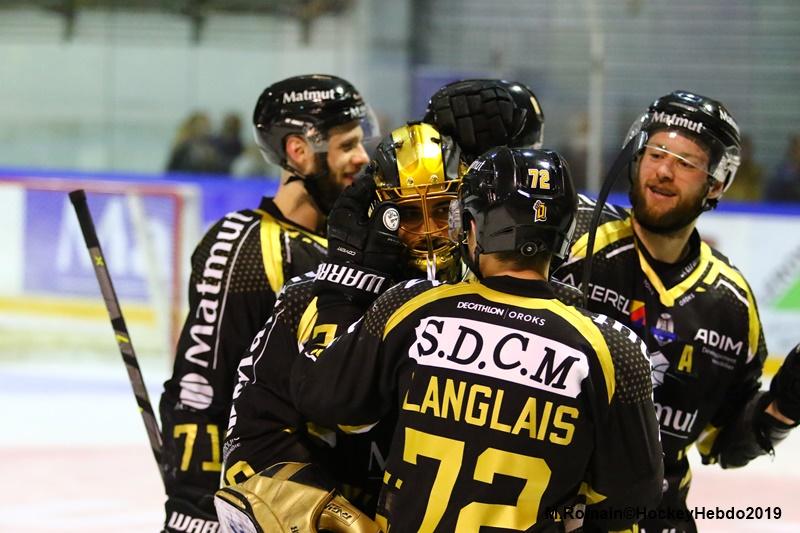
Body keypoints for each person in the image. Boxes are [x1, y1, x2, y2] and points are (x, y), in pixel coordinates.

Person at [289, 147, 664, 532]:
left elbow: (324, 399)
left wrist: (342, 291)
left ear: (472, 226)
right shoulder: (613, 347)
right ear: (566, 231)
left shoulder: (412, 305)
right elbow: (633, 497)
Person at [550, 90, 799, 532]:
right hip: (547, 510)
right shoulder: (572, 238)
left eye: (686, 163)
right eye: (655, 154)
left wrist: (782, 410)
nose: (663, 171)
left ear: (716, 184)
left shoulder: (731, 303)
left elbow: (725, 443)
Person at [158, 74, 377, 533]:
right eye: (348, 145)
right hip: (273, 507)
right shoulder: (248, 245)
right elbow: (201, 390)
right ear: (299, 151)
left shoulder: (356, 247)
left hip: (339, 506)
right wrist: (196, 510)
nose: (362, 157)